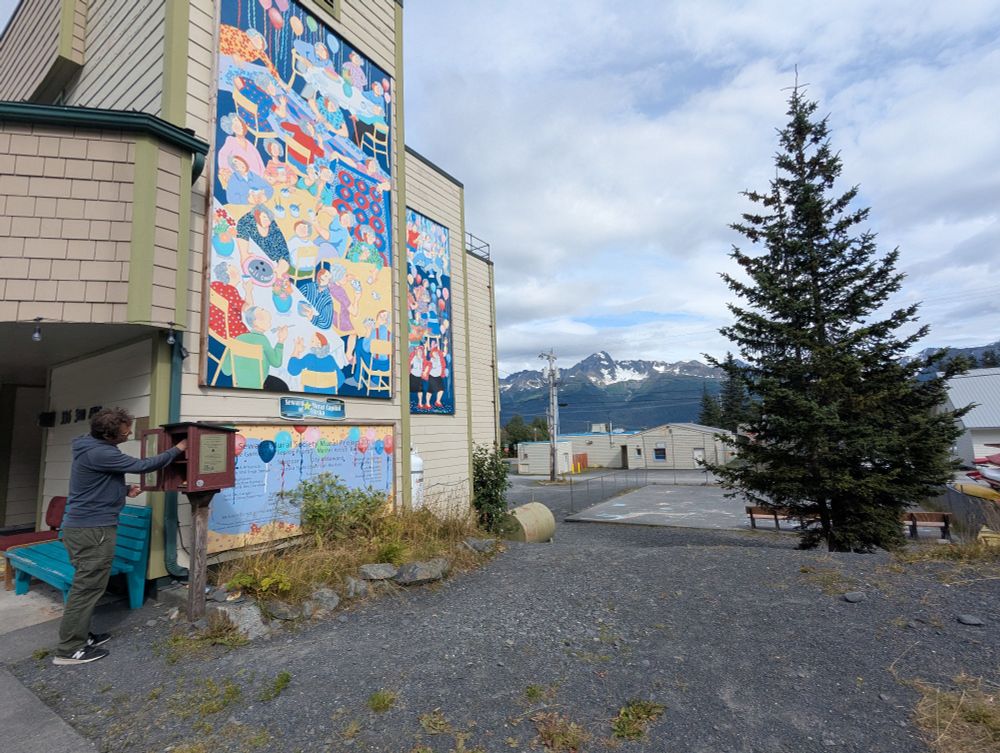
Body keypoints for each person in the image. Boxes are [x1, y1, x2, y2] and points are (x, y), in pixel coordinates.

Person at [53, 408, 187, 665]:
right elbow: (143, 465)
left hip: (85, 528)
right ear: (109, 434)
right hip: (93, 531)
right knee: (87, 587)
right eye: (125, 432)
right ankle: (69, 649)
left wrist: (123, 490)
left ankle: (80, 636)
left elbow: (94, 484)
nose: (129, 434)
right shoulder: (100, 452)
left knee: (89, 585)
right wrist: (179, 447)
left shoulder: (90, 447)